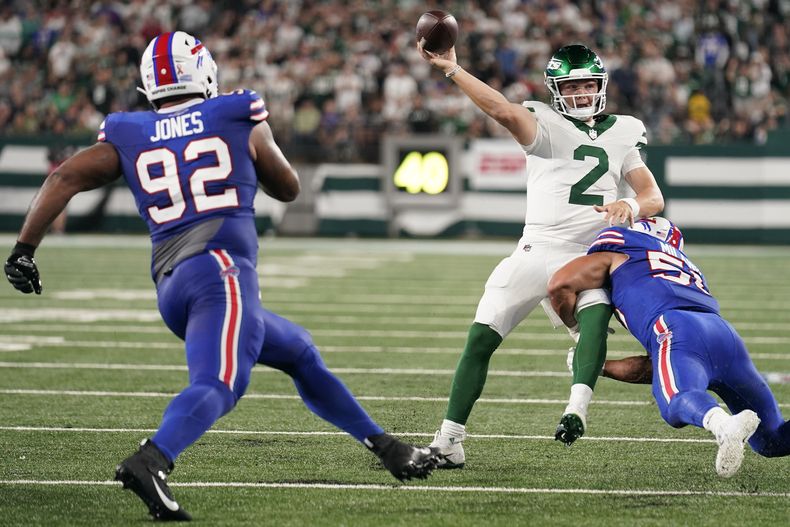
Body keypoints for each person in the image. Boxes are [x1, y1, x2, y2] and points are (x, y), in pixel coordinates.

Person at [4, 31, 440, 521]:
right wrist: (251, 146)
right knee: (222, 382)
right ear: (205, 71)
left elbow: (63, 177)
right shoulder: (236, 112)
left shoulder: (129, 129)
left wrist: (23, 251)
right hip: (219, 272)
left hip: (173, 286)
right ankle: (151, 459)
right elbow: (289, 187)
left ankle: (387, 447)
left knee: (298, 350)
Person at [418, 42, 664, 467]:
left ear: (601, 84)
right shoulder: (544, 123)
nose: (583, 93)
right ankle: (449, 440)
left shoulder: (624, 131)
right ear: (556, 90)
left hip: (588, 255)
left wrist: (632, 206)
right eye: (573, 86)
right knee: (481, 336)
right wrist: (453, 70)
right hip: (536, 248)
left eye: (589, 83)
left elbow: (651, 196)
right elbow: (502, 110)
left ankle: (576, 411)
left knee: (593, 324)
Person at [548, 217, 790, 476]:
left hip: (676, 326)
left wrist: (573, 325)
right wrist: (601, 366)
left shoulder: (624, 249)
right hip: (725, 335)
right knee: (771, 439)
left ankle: (723, 426)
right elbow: (657, 369)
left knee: (675, 404)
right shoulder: (686, 266)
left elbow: (560, 284)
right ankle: (725, 424)